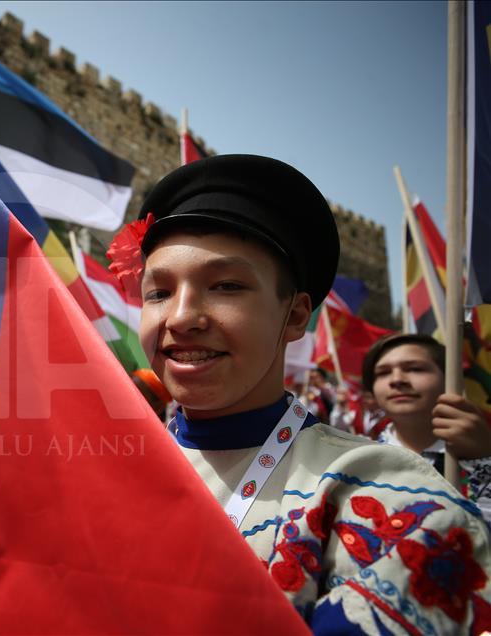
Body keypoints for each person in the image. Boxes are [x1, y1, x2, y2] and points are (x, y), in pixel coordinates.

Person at [121, 154, 491, 633]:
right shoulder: (110, 463)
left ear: (295, 316)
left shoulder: (383, 496)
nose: (180, 317)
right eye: (158, 293)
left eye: (226, 286)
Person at [362, 333, 491, 523]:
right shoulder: (357, 461)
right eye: (383, 373)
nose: (396, 379)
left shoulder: (482, 454)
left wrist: (483, 461)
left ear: (450, 378)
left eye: (415, 369)